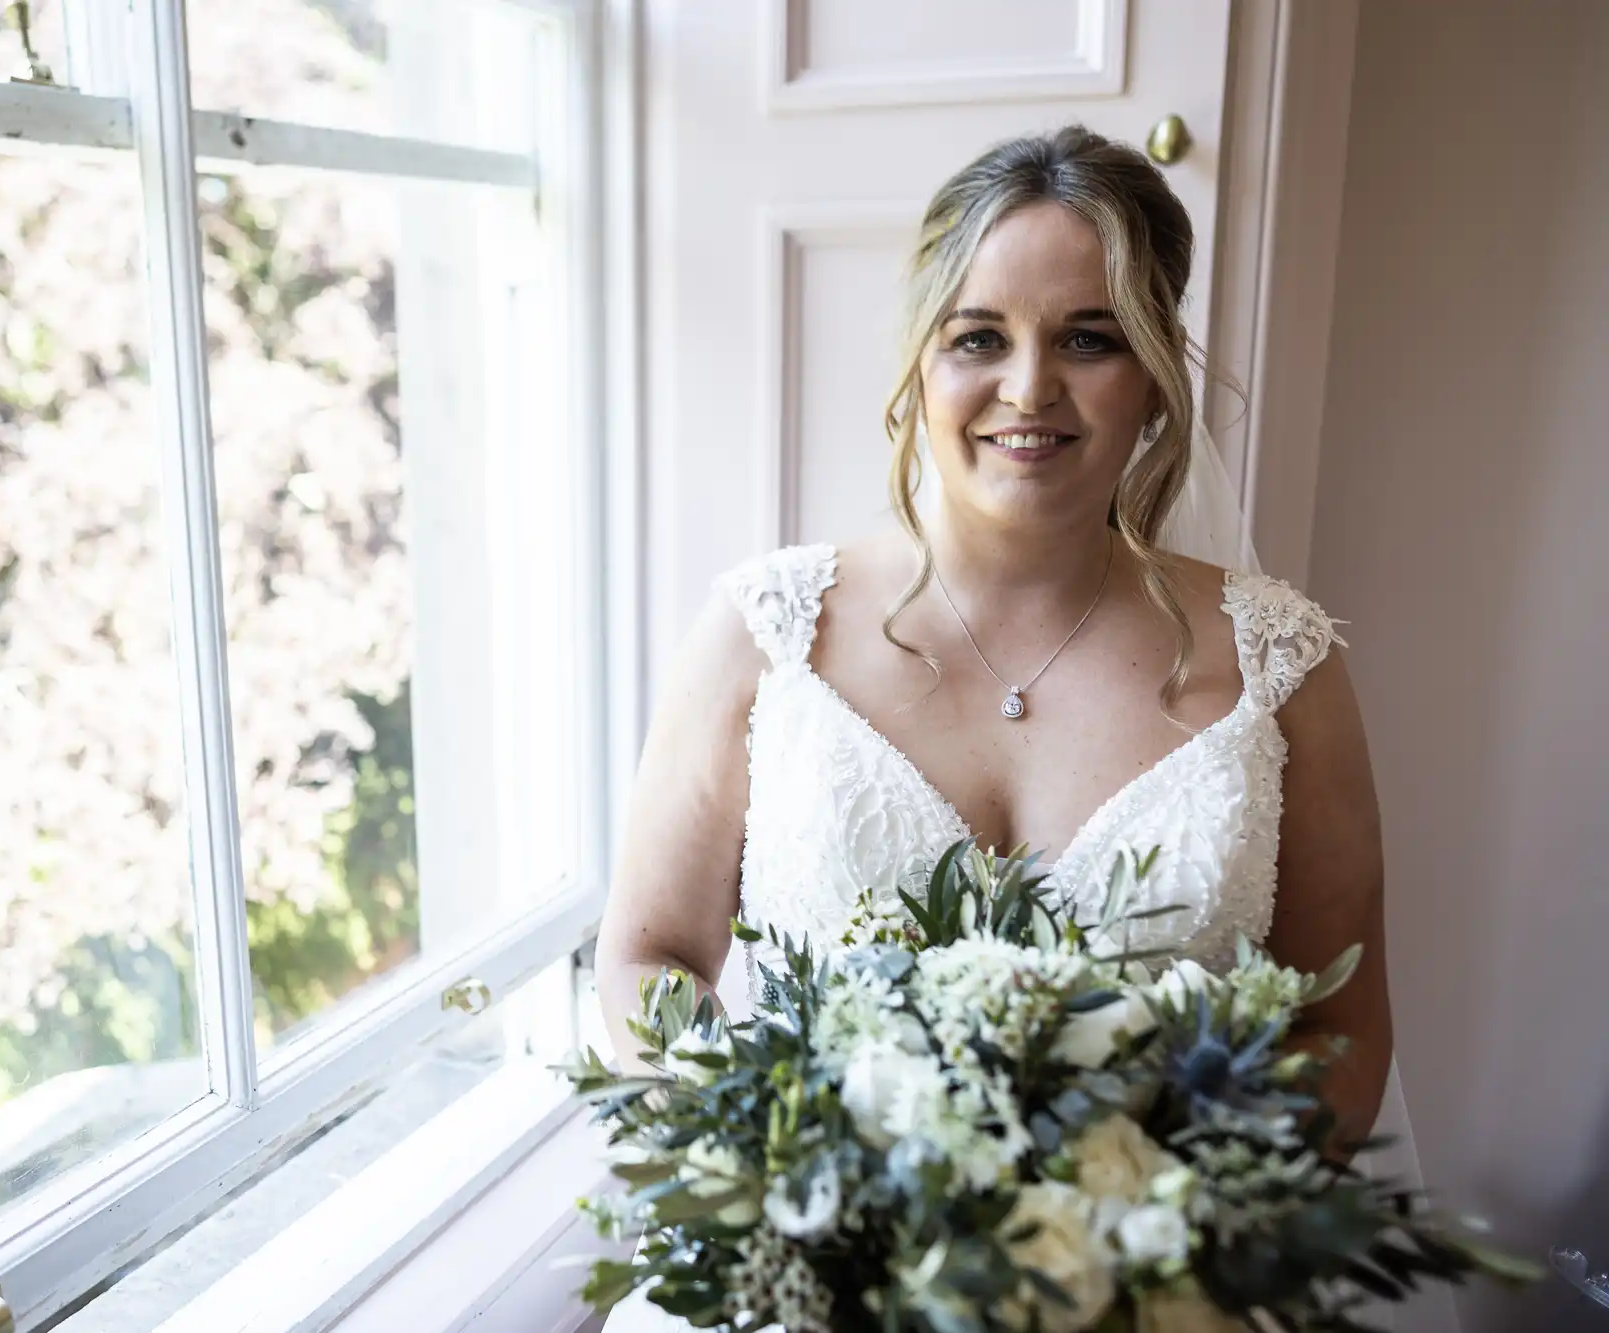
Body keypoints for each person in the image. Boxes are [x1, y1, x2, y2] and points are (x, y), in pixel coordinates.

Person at [594, 125, 1393, 1332]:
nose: (1029, 390)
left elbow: (1337, 1027)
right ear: (922, 359)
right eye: (980, 337)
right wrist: (788, 1181)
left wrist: (1160, 1240)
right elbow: (645, 954)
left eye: (1088, 337)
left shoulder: (1282, 667)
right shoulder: (768, 633)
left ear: (1156, 372)